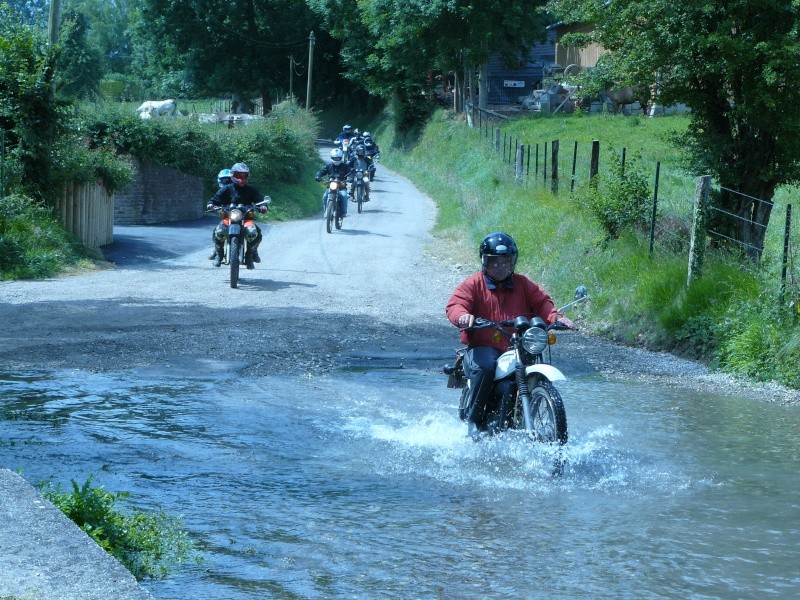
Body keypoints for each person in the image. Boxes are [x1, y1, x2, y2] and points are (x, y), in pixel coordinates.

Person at [445, 232, 575, 440]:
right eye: (495, 262)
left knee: (520, 374)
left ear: (513, 261)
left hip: (517, 346)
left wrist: (556, 317)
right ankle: (474, 423)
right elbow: (456, 305)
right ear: (484, 262)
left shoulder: (523, 284)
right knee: (486, 367)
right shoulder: (473, 284)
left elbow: (543, 303)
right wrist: (463, 317)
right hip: (483, 346)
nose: (501, 267)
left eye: (506, 261)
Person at [206, 162, 268, 269]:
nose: (242, 179)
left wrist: (263, 206)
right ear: (233, 176)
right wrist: (211, 205)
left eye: (244, 176)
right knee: (219, 232)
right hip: (228, 217)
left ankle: (249, 256)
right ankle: (219, 255)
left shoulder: (251, 190)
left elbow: (260, 200)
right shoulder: (226, 189)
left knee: (254, 233)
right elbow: (214, 199)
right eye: (239, 176)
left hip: (246, 219)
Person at [315, 148, 351, 218]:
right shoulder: (329, 166)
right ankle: (326, 210)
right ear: (332, 158)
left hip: (341, 187)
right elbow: (322, 171)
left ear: (341, 157)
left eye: (338, 158)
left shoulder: (345, 166)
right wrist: (318, 176)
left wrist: (351, 178)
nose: (336, 159)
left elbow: (350, 172)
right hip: (331, 187)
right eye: (335, 158)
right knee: (325, 196)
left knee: (344, 196)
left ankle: (344, 212)